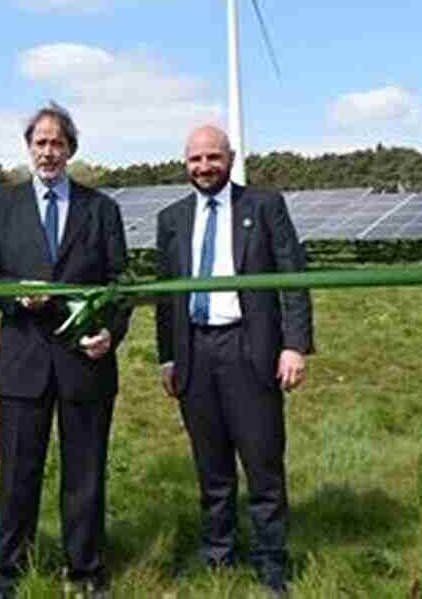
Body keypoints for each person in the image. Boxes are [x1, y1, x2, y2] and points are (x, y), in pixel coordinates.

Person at [0, 102, 131, 599]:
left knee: (85, 473)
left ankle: (84, 569)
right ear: (28, 148)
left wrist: (111, 333)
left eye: (57, 143)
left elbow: (121, 283)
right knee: (18, 471)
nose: (48, 151)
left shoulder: (101, 208)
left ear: (70, 150)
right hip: (23, 362)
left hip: (86, 363)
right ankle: (6, 571)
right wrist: (16, 293)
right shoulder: (1, 207)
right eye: (40, 142)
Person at [154, 125, 314, 597]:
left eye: (213, 157)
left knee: (263, 462)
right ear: (185, 163)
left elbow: (292, 275)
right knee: (211, 465)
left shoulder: (264, 206)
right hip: (194, 353)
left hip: (251, 348)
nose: (204, 167)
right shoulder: (172, 218)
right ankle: (218, 554)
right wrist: (167, 357)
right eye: (196, 159)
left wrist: (295, 345)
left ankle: (271, 562)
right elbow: (166, 297)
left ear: (230, 158)